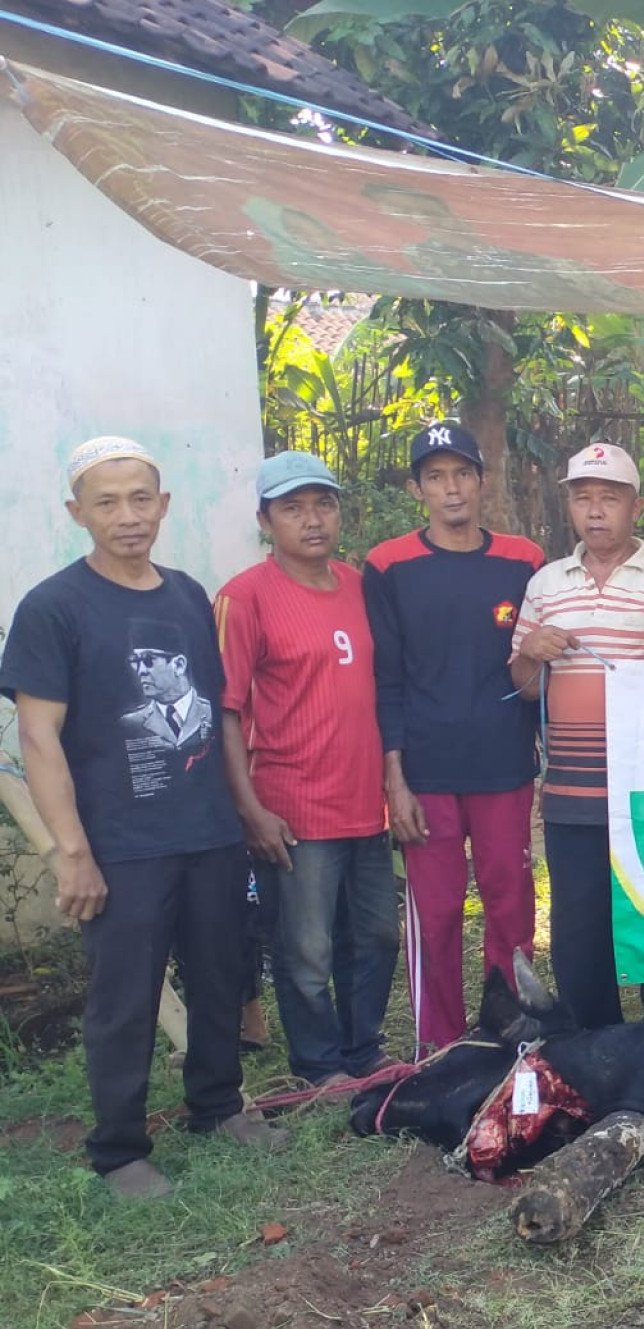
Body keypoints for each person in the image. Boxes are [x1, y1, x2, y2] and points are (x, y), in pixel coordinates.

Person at [0, 437, 287, 1197]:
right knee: (124, 1000)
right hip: (121, 845)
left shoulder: (187, 596)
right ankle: (120, 1150)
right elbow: (39, 738)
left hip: (208, 833)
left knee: (220, 975)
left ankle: (217, 1106)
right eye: (107, 502)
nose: (127, 516)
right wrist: (73, 852)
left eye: (139, 499)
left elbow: (213, 714)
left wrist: (240, 813)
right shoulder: (55, 607)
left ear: (162, 505)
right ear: (77, 513)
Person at [510, 443, 644, 1029]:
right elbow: (525, 689)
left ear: (636, 506)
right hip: (573, 789)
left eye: (610, 498)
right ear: (570, 507)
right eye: (583, 498)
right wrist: (531, 652)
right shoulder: (546, 585)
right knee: (580, 922)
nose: (595, 510)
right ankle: (593, 1038)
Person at [217, 452, 399, 1088]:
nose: (313, 520)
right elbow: (225, 711)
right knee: (306, 949)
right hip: (293, 807)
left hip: (366, 804)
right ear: (265, 521)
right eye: (292, 508)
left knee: (376, 936)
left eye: (323, 504)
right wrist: (249, 809)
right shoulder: (244, 597)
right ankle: (319, 1067)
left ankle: (364, 1050)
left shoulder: (358, 586)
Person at [363, 421, 543, 1054]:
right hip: (426, 772)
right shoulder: (389, 565)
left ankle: (511, 1032)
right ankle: (437, 1047)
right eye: (435, 477)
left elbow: (536, 667)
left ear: (481, 480)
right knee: (435, 914)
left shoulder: (523, 561)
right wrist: (395, 781)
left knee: (510, 905)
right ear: (417, 489)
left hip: (504, 765)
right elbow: (385, 678)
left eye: (462, 473)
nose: (452, 488)